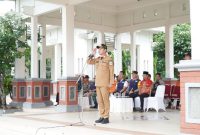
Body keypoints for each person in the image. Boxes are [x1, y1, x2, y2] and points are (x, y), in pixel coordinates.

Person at [87, 44, 114, 124]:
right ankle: (102, 116)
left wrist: (111, 82)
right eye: (98, 49)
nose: (99, 50)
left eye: (101, 49)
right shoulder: (97, 59)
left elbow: (111, 71)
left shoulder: (109, 59)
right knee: (100, 100)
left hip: (105, 83)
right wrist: (92, 53)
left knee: (105, 100)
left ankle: (106, 117)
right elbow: (88, 62)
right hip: (98, 83)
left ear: (105, 50)